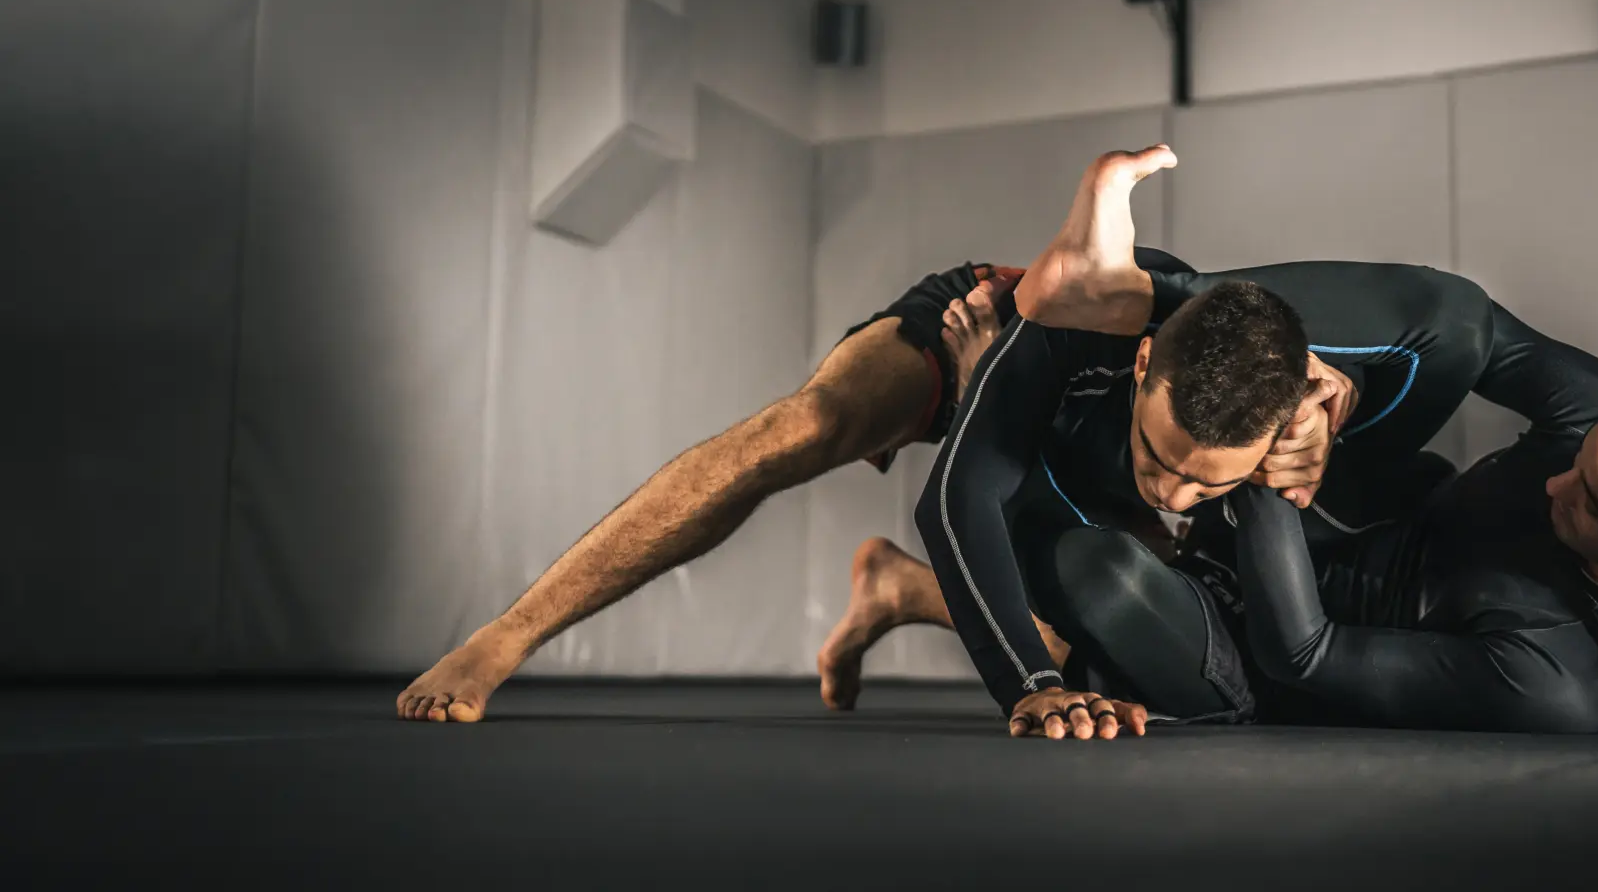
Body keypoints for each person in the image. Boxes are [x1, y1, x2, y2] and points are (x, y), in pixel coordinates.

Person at [997, 151, 1598, 735]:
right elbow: (1466, 328)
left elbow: (1303, 654)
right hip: (1341, 522)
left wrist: (1277, 439)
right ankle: (1123, 293)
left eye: (1587, 502)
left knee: (1092, 568)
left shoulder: (1564, 680)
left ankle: (943, 588)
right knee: (1459, 317)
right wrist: (1287, 378)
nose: (1557, 484)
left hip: (1257, 655)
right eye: (1578, 463)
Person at [394, 179, 1244, 721]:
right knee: (802, 427)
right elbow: (965, 492)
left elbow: (1033, 522)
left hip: (1044, 429)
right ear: (1143, 368)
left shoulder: (1233, 431)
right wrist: (987, 374)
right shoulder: (1160, 326)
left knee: (1098, 639)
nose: (1181, 497)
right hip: (980, 328)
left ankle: (898, 589)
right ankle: (506, 635)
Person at [905, 147, 1524, 739]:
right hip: (1118, 485)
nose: (1174, 495)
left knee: (1099, 571)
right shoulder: (1088, 323)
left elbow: (1456, 320)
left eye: (1210, 481)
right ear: (1145, 361)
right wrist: (1030, 684)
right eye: (1162, 457)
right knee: (1034, 475)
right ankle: (990, 401)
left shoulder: (1311, 418)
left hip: (1252, 631)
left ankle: (984, 402)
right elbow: (955, 500)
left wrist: (1344, 408)